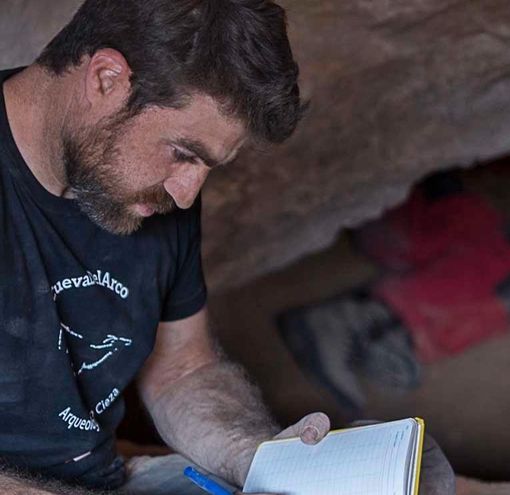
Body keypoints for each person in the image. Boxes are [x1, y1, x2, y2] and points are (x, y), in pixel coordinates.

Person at [0, 1, 454, 494]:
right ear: (106, 79)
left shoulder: (155, 194)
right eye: (183, 154)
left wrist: (256, 459)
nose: (187, 194)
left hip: (103, 480)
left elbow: (181, 368)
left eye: (207, 166)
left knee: (423, 481)